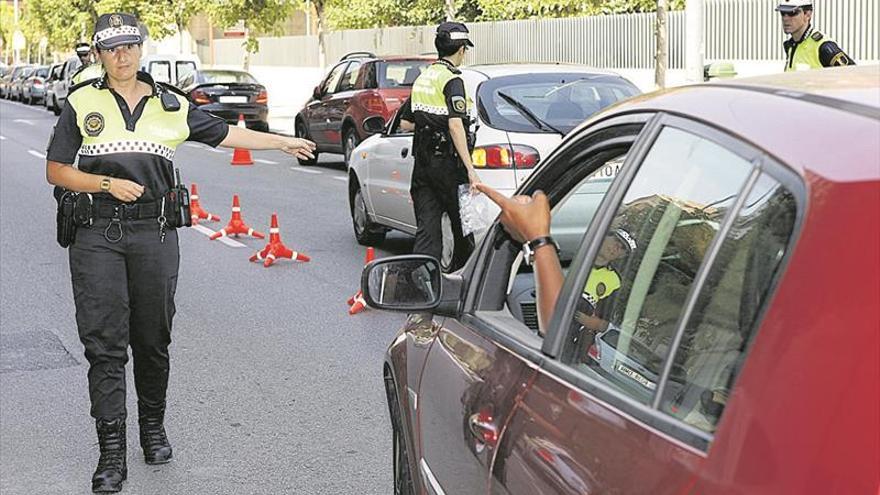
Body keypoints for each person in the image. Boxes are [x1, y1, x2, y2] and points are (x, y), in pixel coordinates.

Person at [45, 13, 315, 493]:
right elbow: (56, 170)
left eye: (128, 45)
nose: (121, 55)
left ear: (141, 48)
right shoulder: (80, 102)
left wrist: (283, 141)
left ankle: (153, 428)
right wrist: (105, 182)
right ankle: (111, 454)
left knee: (152, 338)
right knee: (104, 344)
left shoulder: (171, 104)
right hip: (95, 234)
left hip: (155, 232)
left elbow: (227, 135)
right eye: (111, 48)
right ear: (100, 55)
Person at [407, 22, 481, 271]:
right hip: (448, 166)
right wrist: (470, 170)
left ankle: (423, 287)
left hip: (423, 165)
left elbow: (407, 123)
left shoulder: (423, 78)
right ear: (461, 49)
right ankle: (466, 286)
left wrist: (428, 122)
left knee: (427, 231)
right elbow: (456, 126)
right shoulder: (452, 81)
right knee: (463, 228)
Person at [574, 229, 637, 335]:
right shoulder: (577, 253)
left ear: (622, 256)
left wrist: (591, 322)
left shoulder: (614, 281)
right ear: (604, 237)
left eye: (623, 248)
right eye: (616, 240)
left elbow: (606, 323)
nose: (617, 248)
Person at [776, 0, 854, 71]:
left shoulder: (824, 47)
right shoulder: (790, 45)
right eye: (782, 13)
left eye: (792, 13)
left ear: (807, 15)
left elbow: (853, 74)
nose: (785, 18)